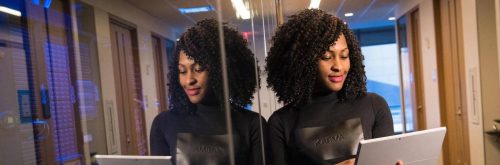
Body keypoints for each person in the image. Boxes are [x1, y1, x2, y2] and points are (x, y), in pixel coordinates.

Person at [265, 9, 396, 165]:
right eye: (326, 57)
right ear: (303, 62)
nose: (338, 66)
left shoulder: (374, 105)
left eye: (344, 56)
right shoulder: (281, 122)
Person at [150, 18, 266, 165]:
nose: (189, 80)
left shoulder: (251, 124)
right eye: (182, 71)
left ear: (220, 70)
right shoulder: (163, 124)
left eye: (198, 69)